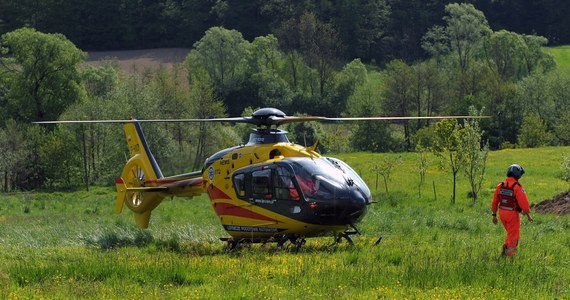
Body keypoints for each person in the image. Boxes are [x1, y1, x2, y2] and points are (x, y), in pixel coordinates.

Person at [491, 164, 534, 257]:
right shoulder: (517, 187)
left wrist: (494, 215)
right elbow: (525, 205)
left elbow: (494, 202)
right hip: (512, 215)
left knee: (511, 234)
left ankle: (506, 249)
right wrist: (528, 215)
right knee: (514, 236)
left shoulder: (500, 185)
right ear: (517, 175)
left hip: (502, 214)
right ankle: (509, 256)